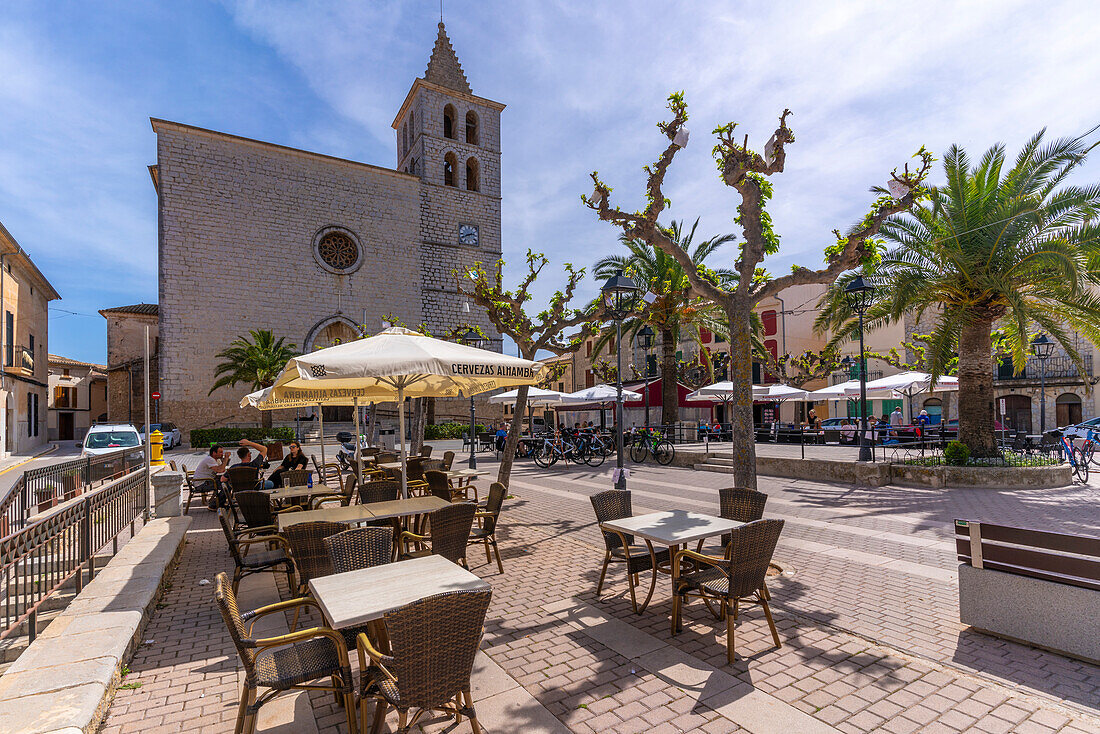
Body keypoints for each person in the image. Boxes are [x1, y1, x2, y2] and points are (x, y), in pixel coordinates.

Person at [194, 445, 229, 509]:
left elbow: (222, 470)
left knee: (226, 483)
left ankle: (218, 503)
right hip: (201, 484)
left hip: (208, 481)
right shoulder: (209, 459)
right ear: (214, 453)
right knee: (226, 486)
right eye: (220, 452)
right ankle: (214, 505)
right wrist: (226, 459)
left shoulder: (217, 460)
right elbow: (220, 470)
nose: (222, 454)